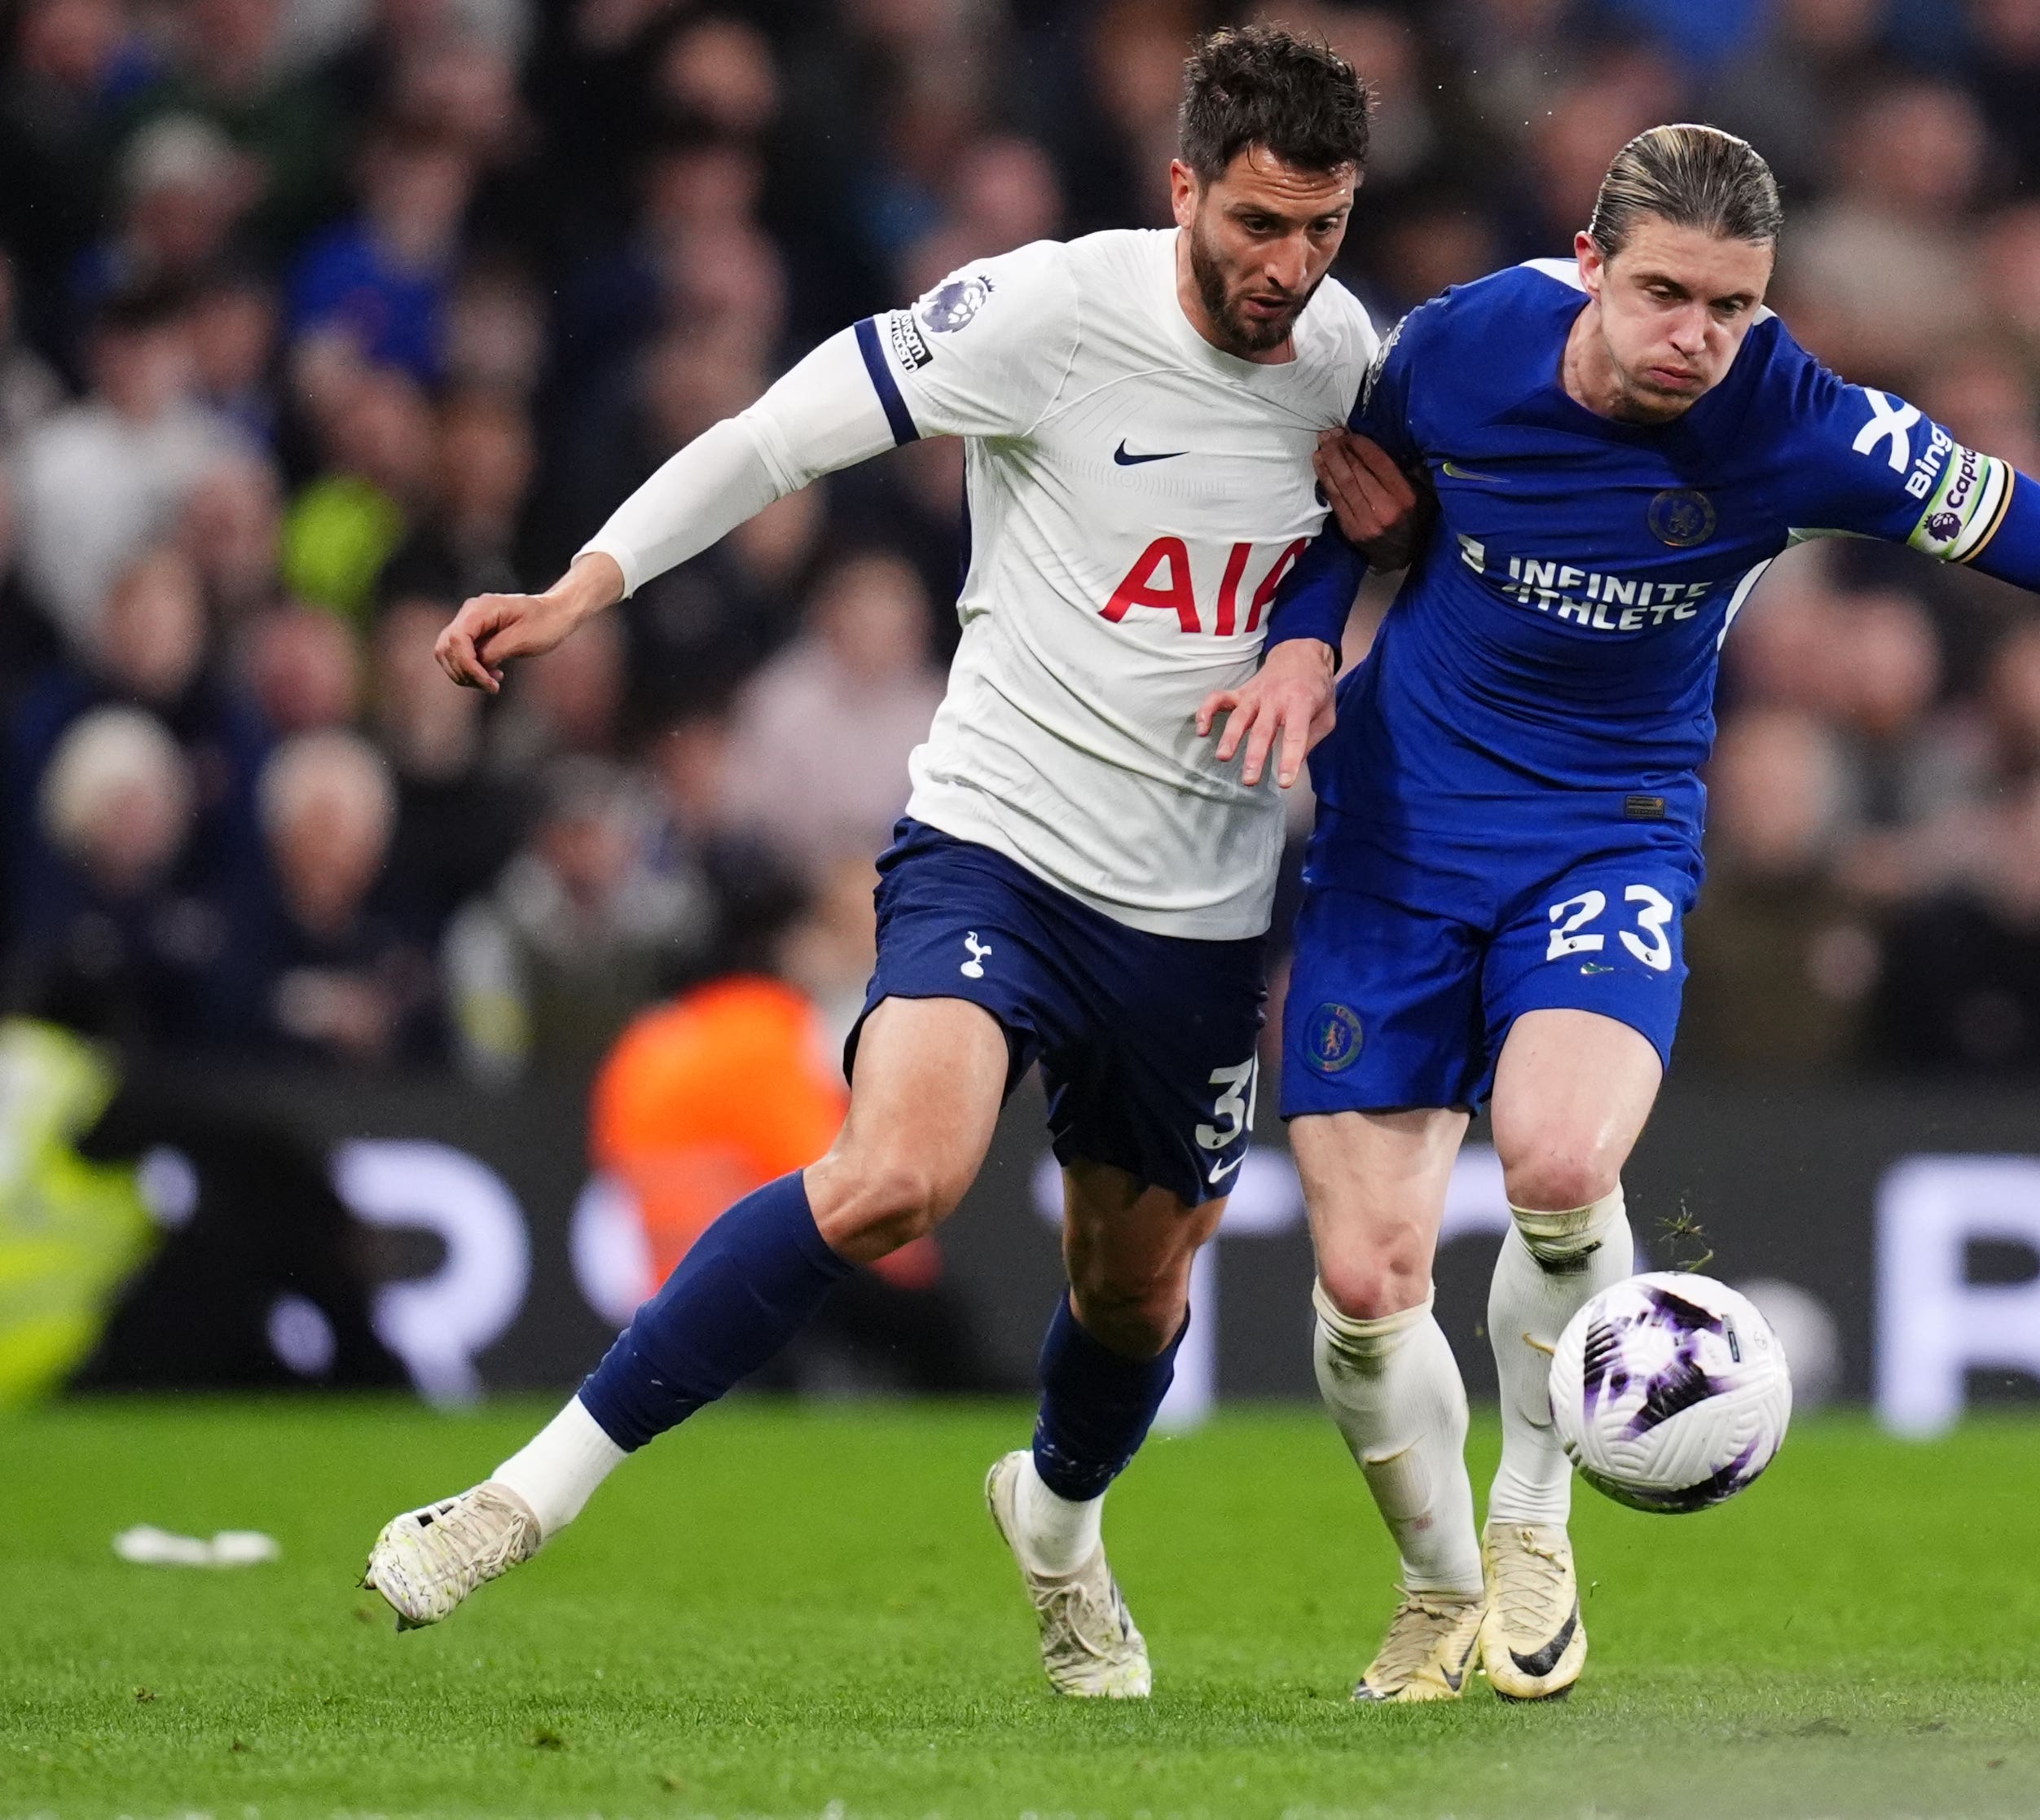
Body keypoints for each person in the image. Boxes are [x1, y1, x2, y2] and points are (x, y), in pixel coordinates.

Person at [1201, 124, 2040, 1704]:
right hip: (1397, 833)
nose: (1697, 337)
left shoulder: (1798, 424)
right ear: (1591, 264)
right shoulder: (1460, 342)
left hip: (1602, 835)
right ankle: (1433, 1585)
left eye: (1734, 305)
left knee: (1556, 1157)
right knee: (1363, 1285)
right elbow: (1346, 510)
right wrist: (1294, 640)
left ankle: (1533, 1514)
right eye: (1668, 294)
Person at [359, 27, 1381, 1702]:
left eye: (1321, 228)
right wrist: (582, 586)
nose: (1287, 268)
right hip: (998, 837)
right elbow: (776, 436)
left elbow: (1376, 533)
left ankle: (1052, 1523)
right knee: (897, 1171)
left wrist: (1332, 613)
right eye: (1257, 224)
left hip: (1194, 908)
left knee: (1134, 1295)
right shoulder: (1048, 313)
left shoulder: (1344, 352)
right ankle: (516, 1496)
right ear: (1181, 187)